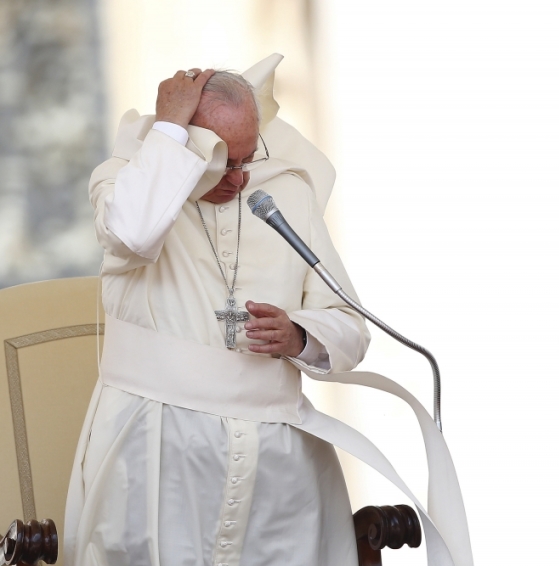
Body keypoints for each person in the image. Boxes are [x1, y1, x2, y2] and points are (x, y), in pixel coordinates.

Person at [63, 60, 371, 565]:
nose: (239, 177)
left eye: (246, 158)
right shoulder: (124, 183)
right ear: (181, 143)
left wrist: (298, 334)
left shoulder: (285, 193)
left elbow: (350, 327)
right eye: (219, 160)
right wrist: (166, 126)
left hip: (280, 463)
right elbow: (133, 234)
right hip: (155, 449)